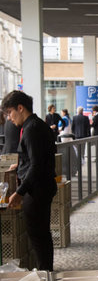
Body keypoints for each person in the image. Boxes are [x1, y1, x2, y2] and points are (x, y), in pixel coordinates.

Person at [1, 91, 57, 271]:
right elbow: (35, 159)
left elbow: (37, 165)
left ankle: (44, 274)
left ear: (20, 108)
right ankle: (45, 272)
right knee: (41, 236)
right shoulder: (36, 125)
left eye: (9, 112)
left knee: (38, 237)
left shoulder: (32, 128)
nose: (9, 118)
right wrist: (18, 167)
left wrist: (19, 192)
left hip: (37, 190)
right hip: (41, 187)